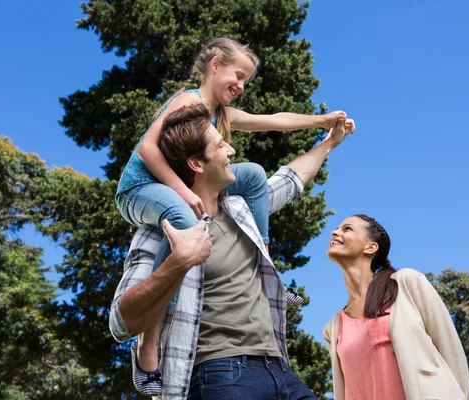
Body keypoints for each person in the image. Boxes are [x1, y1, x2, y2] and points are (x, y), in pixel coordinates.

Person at [114, 37, 354, 395]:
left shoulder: (220, 116)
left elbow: (273, 121)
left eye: (246, 81)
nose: (241, 86)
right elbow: (148, 147)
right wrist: (184, 193)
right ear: (214, 65)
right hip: (141, 188)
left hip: (183, 189)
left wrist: (323, 122)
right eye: (237, 75)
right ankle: (148, 346)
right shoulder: (188, 101)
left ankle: (265, 256)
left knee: (255, 174)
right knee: (182, 219)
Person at [322, 214, 469, 400]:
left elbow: (451, 353)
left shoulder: (406, 284)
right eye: (337, 228)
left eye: (347, 228)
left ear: (370, 247)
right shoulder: (334, 328)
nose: (334, 232)